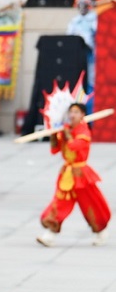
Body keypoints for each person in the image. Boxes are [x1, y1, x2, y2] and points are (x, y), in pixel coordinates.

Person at [37, 103, 111, 247]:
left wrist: (67, 134)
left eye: (76, 112)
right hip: (67, 175)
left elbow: (74, 146)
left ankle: (101, 231)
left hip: (81, 174)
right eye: (71, 112)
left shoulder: (84, 130)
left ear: (82, 115)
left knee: (92, 203)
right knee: (60, 202)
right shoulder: (66, 129)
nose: (72, 115)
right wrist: (54, 136)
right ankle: (50, 234)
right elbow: (55, 150)